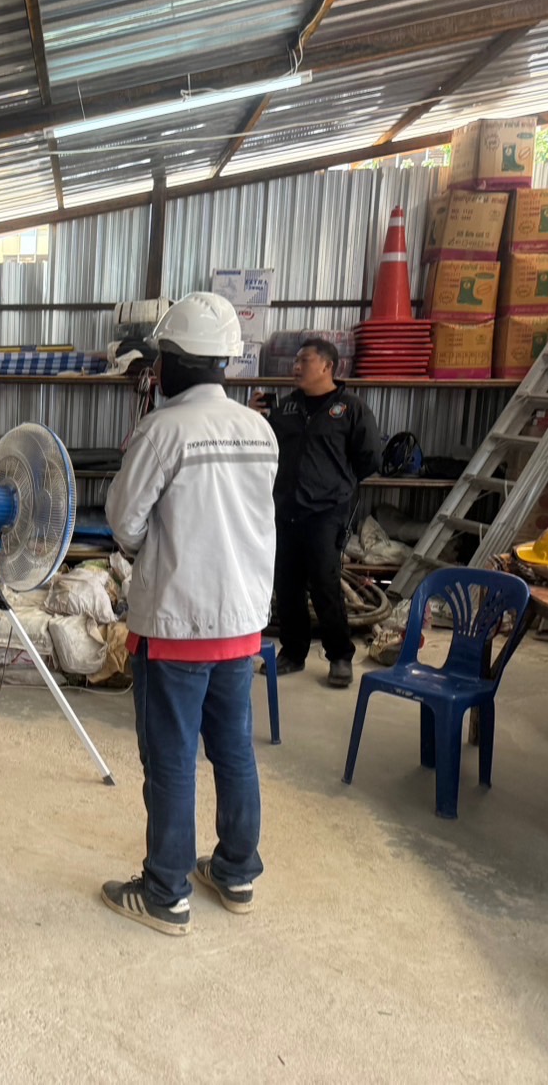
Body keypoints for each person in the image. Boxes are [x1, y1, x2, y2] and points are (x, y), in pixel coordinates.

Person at [102, 292, 278, 936]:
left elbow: (125, 524)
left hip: (177, 624)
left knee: (171, 759)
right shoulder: (259, 430)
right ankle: (236, 872)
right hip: (241, 623)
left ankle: (165, 892)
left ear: (173, 362)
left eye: (159, 360)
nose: (154, 371)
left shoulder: (163, 430)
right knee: (233, 751)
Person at [260, 337, 382, 688]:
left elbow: (369, 459)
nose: (296, 367)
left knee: (325, 583)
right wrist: (255, 416)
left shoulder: (351, 409)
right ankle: (293, 651)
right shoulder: (285, 408)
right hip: (286, 509)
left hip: (326, 512)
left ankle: (340, 656)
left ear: (328, 366)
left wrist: (337, 485)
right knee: (287, 584)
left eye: (305, 360)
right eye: (295, 360)